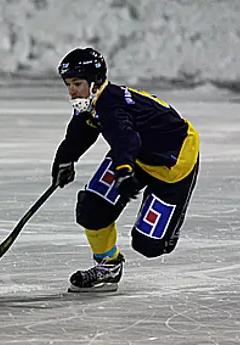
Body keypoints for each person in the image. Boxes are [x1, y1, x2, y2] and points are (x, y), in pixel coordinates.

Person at [51, 47, 200, 292]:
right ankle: (108, 267)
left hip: (173, 161)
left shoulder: (111, 106)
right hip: (134, 155)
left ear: (95, 81)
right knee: (92, 208)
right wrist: (65, 160)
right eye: (68, 84)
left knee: (149, 246)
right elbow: (82, 130)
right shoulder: (94, 101)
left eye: (76, 83)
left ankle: (171, 227)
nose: (71, 91)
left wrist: (123, 170)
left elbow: (126, 139)